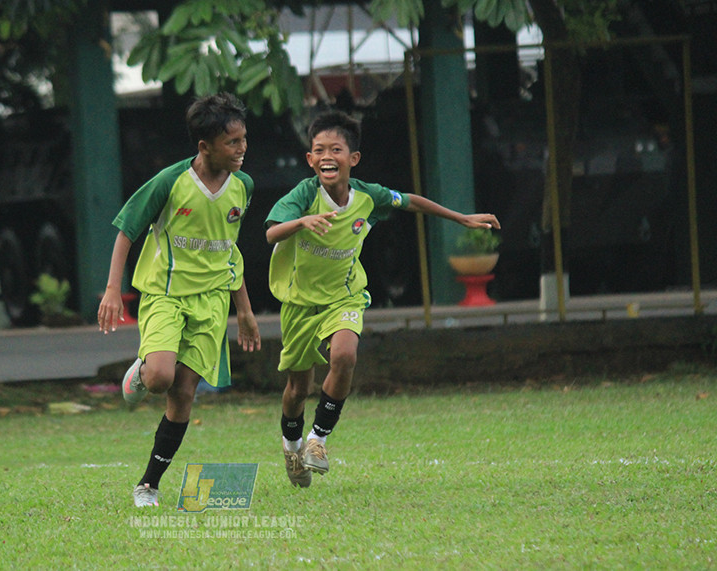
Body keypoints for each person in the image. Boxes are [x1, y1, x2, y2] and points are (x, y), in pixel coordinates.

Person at [265, 110, 500, 487]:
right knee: (297, 390)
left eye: (336, 149)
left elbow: (409, 201)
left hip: (345, 297)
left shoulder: (367, 196)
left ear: (352, 159)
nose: (327, 156)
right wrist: (302, 222)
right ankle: (291, 448)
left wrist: (461, 218)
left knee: (344, 356)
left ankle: (317, 441)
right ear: (310, 159)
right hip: (299, 304)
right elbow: (272, 233)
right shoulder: (304, 195)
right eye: (319, 150)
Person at [98, 92, 262, 507]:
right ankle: (142, 368)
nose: (242, 149)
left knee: (184, 394)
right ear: (204, 146)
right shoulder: (171, 182)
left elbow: (230, 252)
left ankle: (148, 485)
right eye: (232, 142)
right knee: (159, 379)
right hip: (166, 296)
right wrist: (113, 289)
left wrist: (243, 309)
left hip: (211, 303)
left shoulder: (243, 186)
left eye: (243, 139)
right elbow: (126, 231)